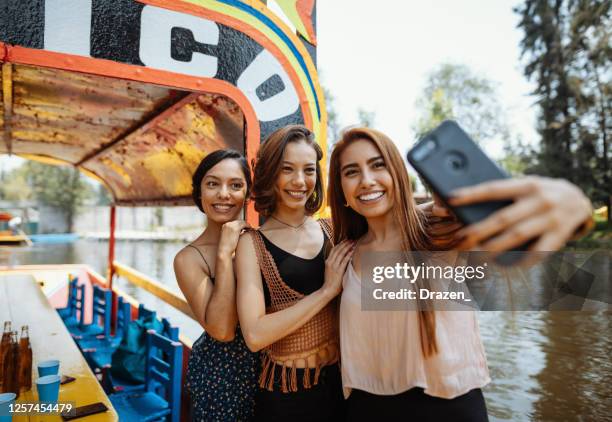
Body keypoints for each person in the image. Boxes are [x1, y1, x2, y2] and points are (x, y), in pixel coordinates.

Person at [327, 127, 593, 421]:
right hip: (366, 410)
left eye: (378, 165)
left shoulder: (438, 226)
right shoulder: (343, 252)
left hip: (446, 408)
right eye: (351, 172)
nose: (366, 181)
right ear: (341, 191)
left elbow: (518, 223)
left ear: (398, 175)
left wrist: (575, 206)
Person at [236, 125, 352, 421]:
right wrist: (327, 291)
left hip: (341, 385)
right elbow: (254, 334)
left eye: (309, 170)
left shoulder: (333, 229)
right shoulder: (252, 244)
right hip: (287, 396)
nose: (300, 181)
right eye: (287, 169)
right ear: (271, 173)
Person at [173, 149, 259, 421]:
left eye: (235, 185)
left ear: (247, 193)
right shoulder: (188, 259)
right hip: (222, 379)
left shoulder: (261, 241)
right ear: (199, 192)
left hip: (272, 370)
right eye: (212, 184)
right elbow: (222, 330)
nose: (224, 194)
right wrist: (224, 254)